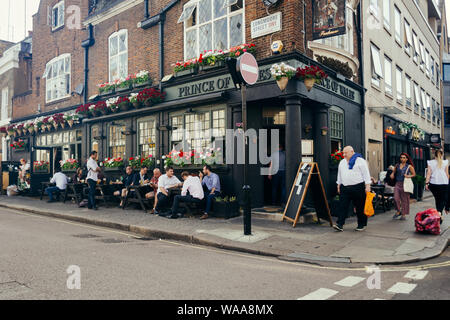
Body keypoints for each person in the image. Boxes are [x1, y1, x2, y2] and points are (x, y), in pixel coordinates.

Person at [334, 146, 371, 232]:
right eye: (343, 153)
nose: (344, 155)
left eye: (345, 153)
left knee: (360, 207)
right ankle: (340, 224)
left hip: (358, 187)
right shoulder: (342, 162)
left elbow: (366, 173)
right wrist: (338, 185)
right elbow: (339, 174)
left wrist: (368, 186)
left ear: (352, 151)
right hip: (345, 187)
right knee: (342, 206)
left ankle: (361, 224)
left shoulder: (360, 161)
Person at [390, 153, 416, 220]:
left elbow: (414, 174)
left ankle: (403, 214)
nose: (402, 159)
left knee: (404, 200)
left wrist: (408, 176)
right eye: (401, 157)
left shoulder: (409, 166)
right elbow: (394, 172)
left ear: (407, 159)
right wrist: (392, 174)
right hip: (398, 184)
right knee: (396, 198)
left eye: (404, 157)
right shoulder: (397, 165)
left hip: (405, 184)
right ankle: (398, 211)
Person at [425, 149, 448, 221]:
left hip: (434, 183)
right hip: (444, 183)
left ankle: (439, 214)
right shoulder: (445, 162)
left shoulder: (430, 162)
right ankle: (439, 213)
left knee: (437, 199)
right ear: (442, 155)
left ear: (434, 155)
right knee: (443, 199)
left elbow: (428, 173)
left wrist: (426, 183)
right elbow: (447, 174)